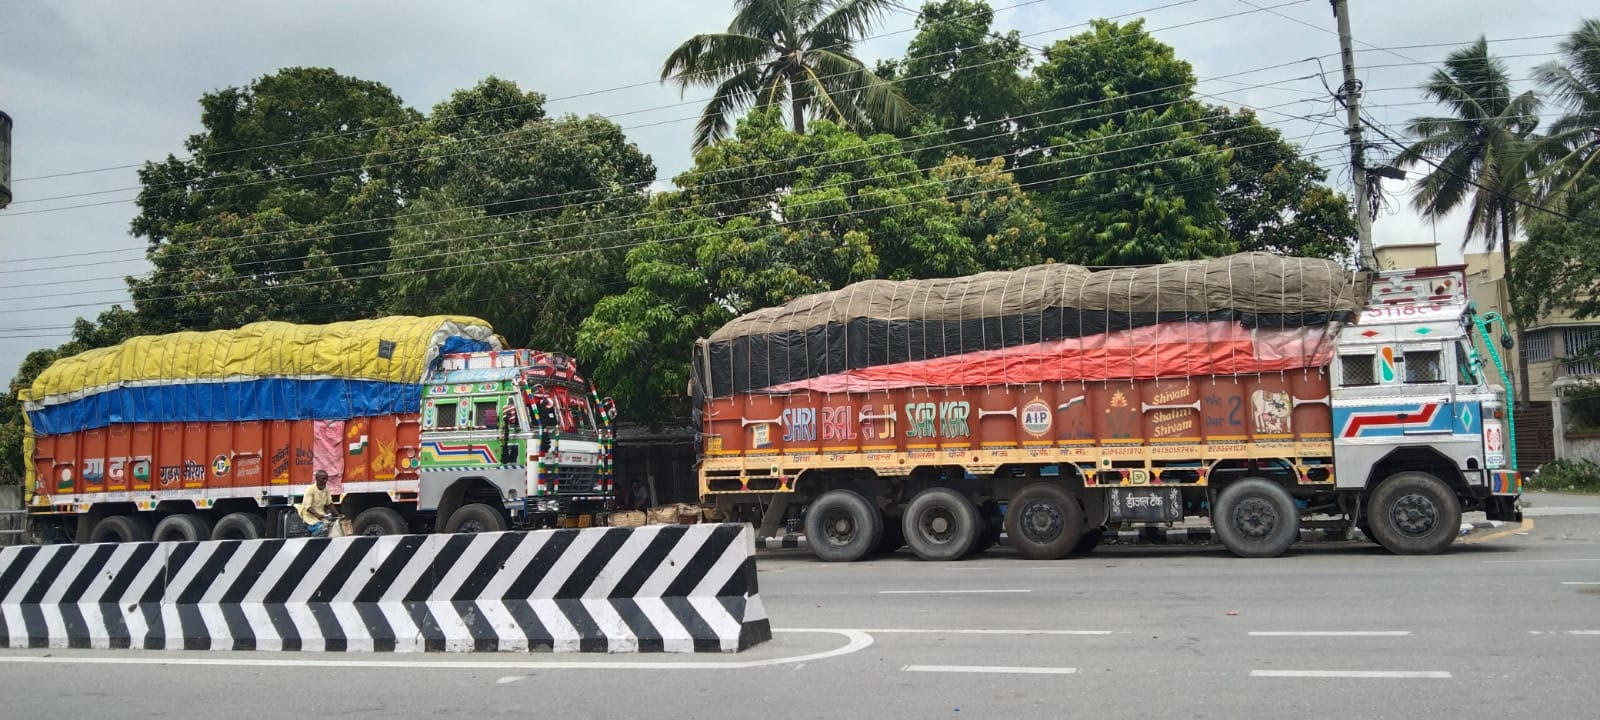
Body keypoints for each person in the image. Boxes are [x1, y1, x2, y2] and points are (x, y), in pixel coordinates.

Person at [298, 470, 335, 537]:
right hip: (310, 518)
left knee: (332, 527)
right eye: (323, 479)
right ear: (317, 479)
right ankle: (312, 539)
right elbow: (308, 507)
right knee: (323, 529)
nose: (325, 481)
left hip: (321, 517)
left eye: (326, 479)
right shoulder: (310, 489)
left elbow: (329, 503)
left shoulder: (326, 489)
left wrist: (338, 515)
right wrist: (317, 515)